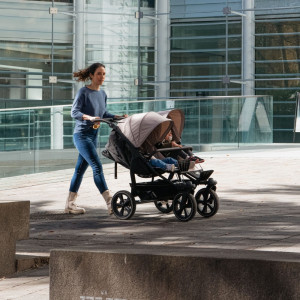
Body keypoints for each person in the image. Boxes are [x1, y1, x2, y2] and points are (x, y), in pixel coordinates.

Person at [66, 62, 127, 215]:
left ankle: (70, 204)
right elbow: (74, 112)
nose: (102, 77)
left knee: (80, 170)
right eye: (99, 74)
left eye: (104, 74)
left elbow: (104, 113)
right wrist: (89, 117)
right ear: (91, 75)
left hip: (93, 136)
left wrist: (118, 117)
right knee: (96, 166)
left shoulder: (102, 94)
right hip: (81, 135)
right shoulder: (83, 92)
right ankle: (110, 202)